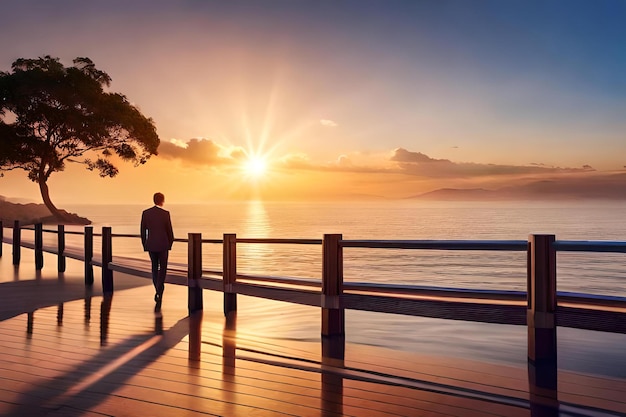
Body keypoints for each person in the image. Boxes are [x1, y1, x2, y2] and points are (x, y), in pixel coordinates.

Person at [140, 192, 174, 310]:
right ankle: (160, 289)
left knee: (154, 267)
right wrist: (170, 243)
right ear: (162, 200)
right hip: (163, 245)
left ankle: (158, 289)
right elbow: (169, 231)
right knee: (163, 268)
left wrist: (145, 244)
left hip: (151, 245)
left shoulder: (146, 213)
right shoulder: (165, 214)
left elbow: (142, 231)